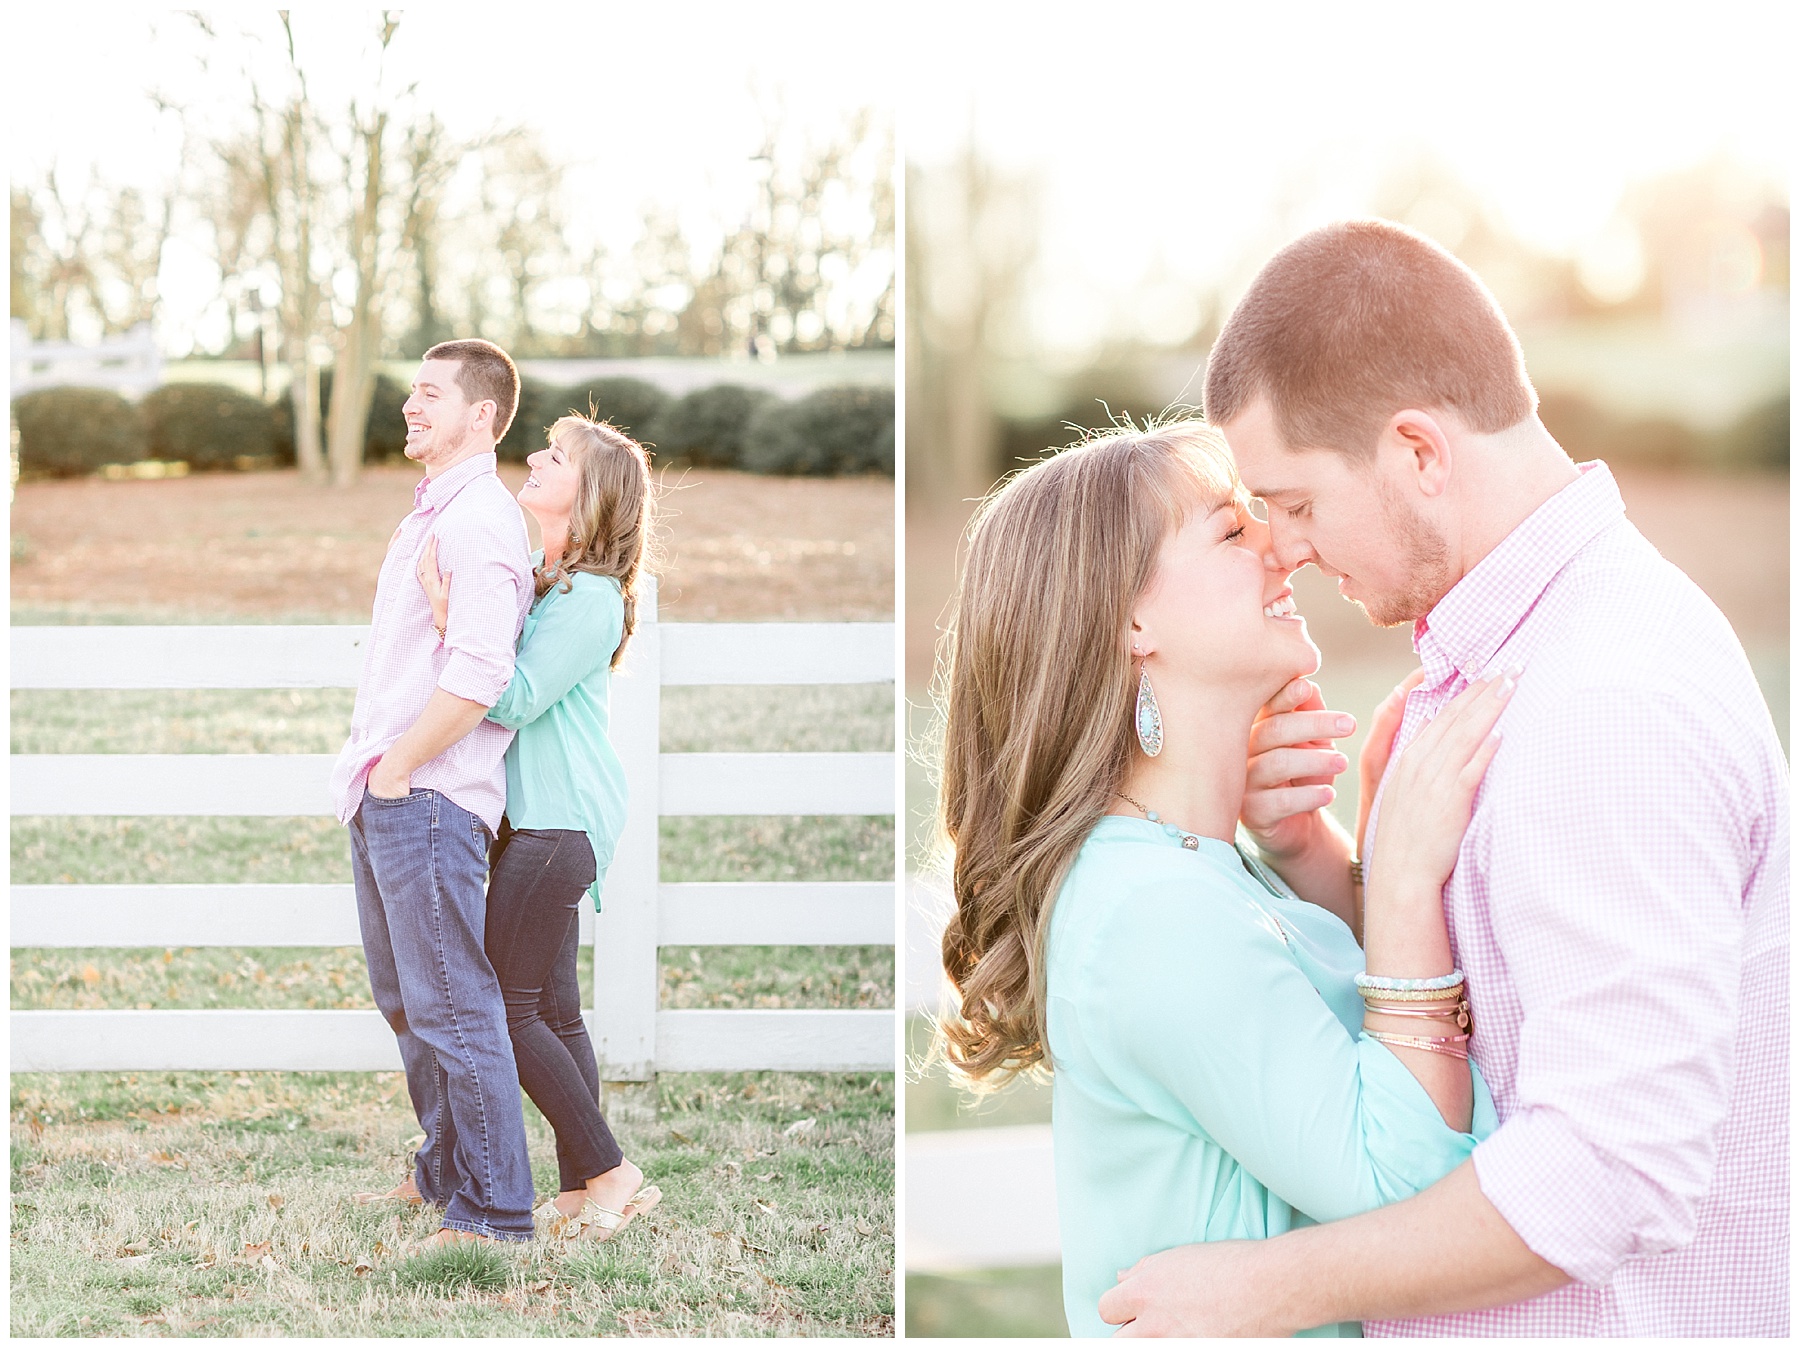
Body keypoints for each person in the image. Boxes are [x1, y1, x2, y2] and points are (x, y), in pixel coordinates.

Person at [1099, 220, 1788, 1337]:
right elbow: (1517, 999)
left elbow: (1611, 1167)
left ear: (1419, 452)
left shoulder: (1606, 701)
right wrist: (1323, 861)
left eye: (1298, 503)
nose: (1282, 548)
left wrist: (1262, 1287)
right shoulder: (1530, 654)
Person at [934, 418, 1518, 1337]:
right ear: (1130, 618)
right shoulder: (1150, 914)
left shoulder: (1192, 868)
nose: (1284, 552)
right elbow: (1412, 1194)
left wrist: (1303, 850)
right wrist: (1400, 880)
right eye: (1233, 531)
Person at [417, 412, 661, 1241]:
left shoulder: (591, 599)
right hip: (536, 826)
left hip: (560, 827)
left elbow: (514, 696)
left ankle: (612, 1170)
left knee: (505, 1008)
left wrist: (455, 626)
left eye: (555, 457)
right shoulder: (545, 577)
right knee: (555, 1014)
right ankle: (575, 1193)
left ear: (589, 496)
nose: (533, 458)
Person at [329, 337, 536, 1247]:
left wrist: (401, 767)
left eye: (430, 394)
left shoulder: (480, 523)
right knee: (409, 1001)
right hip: (391, 792)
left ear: (481, 417)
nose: (410, 407)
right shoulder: (436, 512)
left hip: (429, 796)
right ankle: (446, 1175)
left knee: (452, 1005)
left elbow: (480, 675)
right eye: (411, 392)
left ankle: (494, 1211)